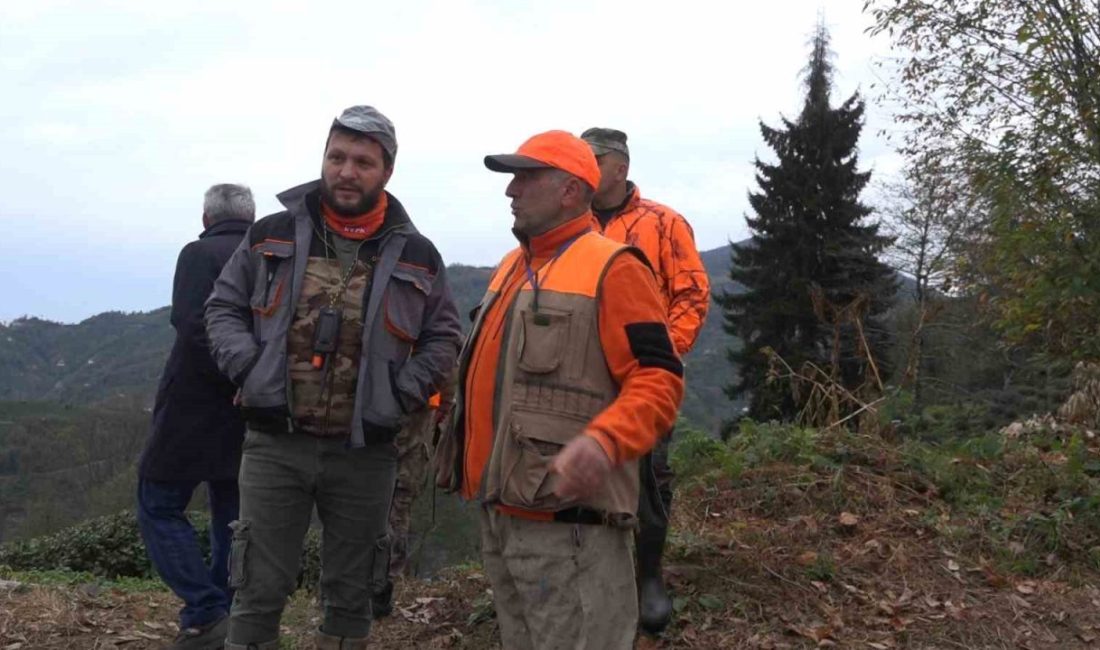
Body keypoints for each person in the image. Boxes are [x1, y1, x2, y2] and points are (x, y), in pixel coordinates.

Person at [204, 105, 462, 650]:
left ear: (386, 172)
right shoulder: (270, 234)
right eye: (337, 157)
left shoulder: (416, 252)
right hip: (274, 444)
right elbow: (223, 307)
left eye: (363, 162)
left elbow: (445, 336)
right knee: (255, 589)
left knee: (351, 598)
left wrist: (401, 393)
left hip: (366, 451)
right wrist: (250, 368)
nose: (347, 171)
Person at [435, 130, 684, 649]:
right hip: (501, 512)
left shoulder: (614, 268)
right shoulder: (511, 267)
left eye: (526, 177)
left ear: (572, 190)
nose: (511, 191)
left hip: (572, 529)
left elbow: (659, 378)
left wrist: (605, 441)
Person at [581, 127, 711, 635]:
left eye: (592, 160)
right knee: (581, 468)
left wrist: (659, 358)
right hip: (577, 374)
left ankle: (648, 578)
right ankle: (588, 577)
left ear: (619, 167)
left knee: (650, 478)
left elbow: (692, 295)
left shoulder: (664, 223)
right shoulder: (571, 223)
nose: (583, 169)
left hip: (642, 377)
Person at [136, 183, 255, 650]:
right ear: (252, 217)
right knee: (231, 513)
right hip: (251, 405)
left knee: (157, 502)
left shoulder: (198, 254)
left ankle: (205, 611)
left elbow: (191, 325)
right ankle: (223, 611)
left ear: (206, 218)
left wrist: (226, 374)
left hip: (192, 405)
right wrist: (250, 382)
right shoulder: (269, 253)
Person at [370, 387, 453, 618]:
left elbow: (443, 397)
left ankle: (383, 586)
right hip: (399, 451)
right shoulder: (429, 362)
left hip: (400, 453)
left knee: (394, 517)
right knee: (394, 517)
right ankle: (381, 585)